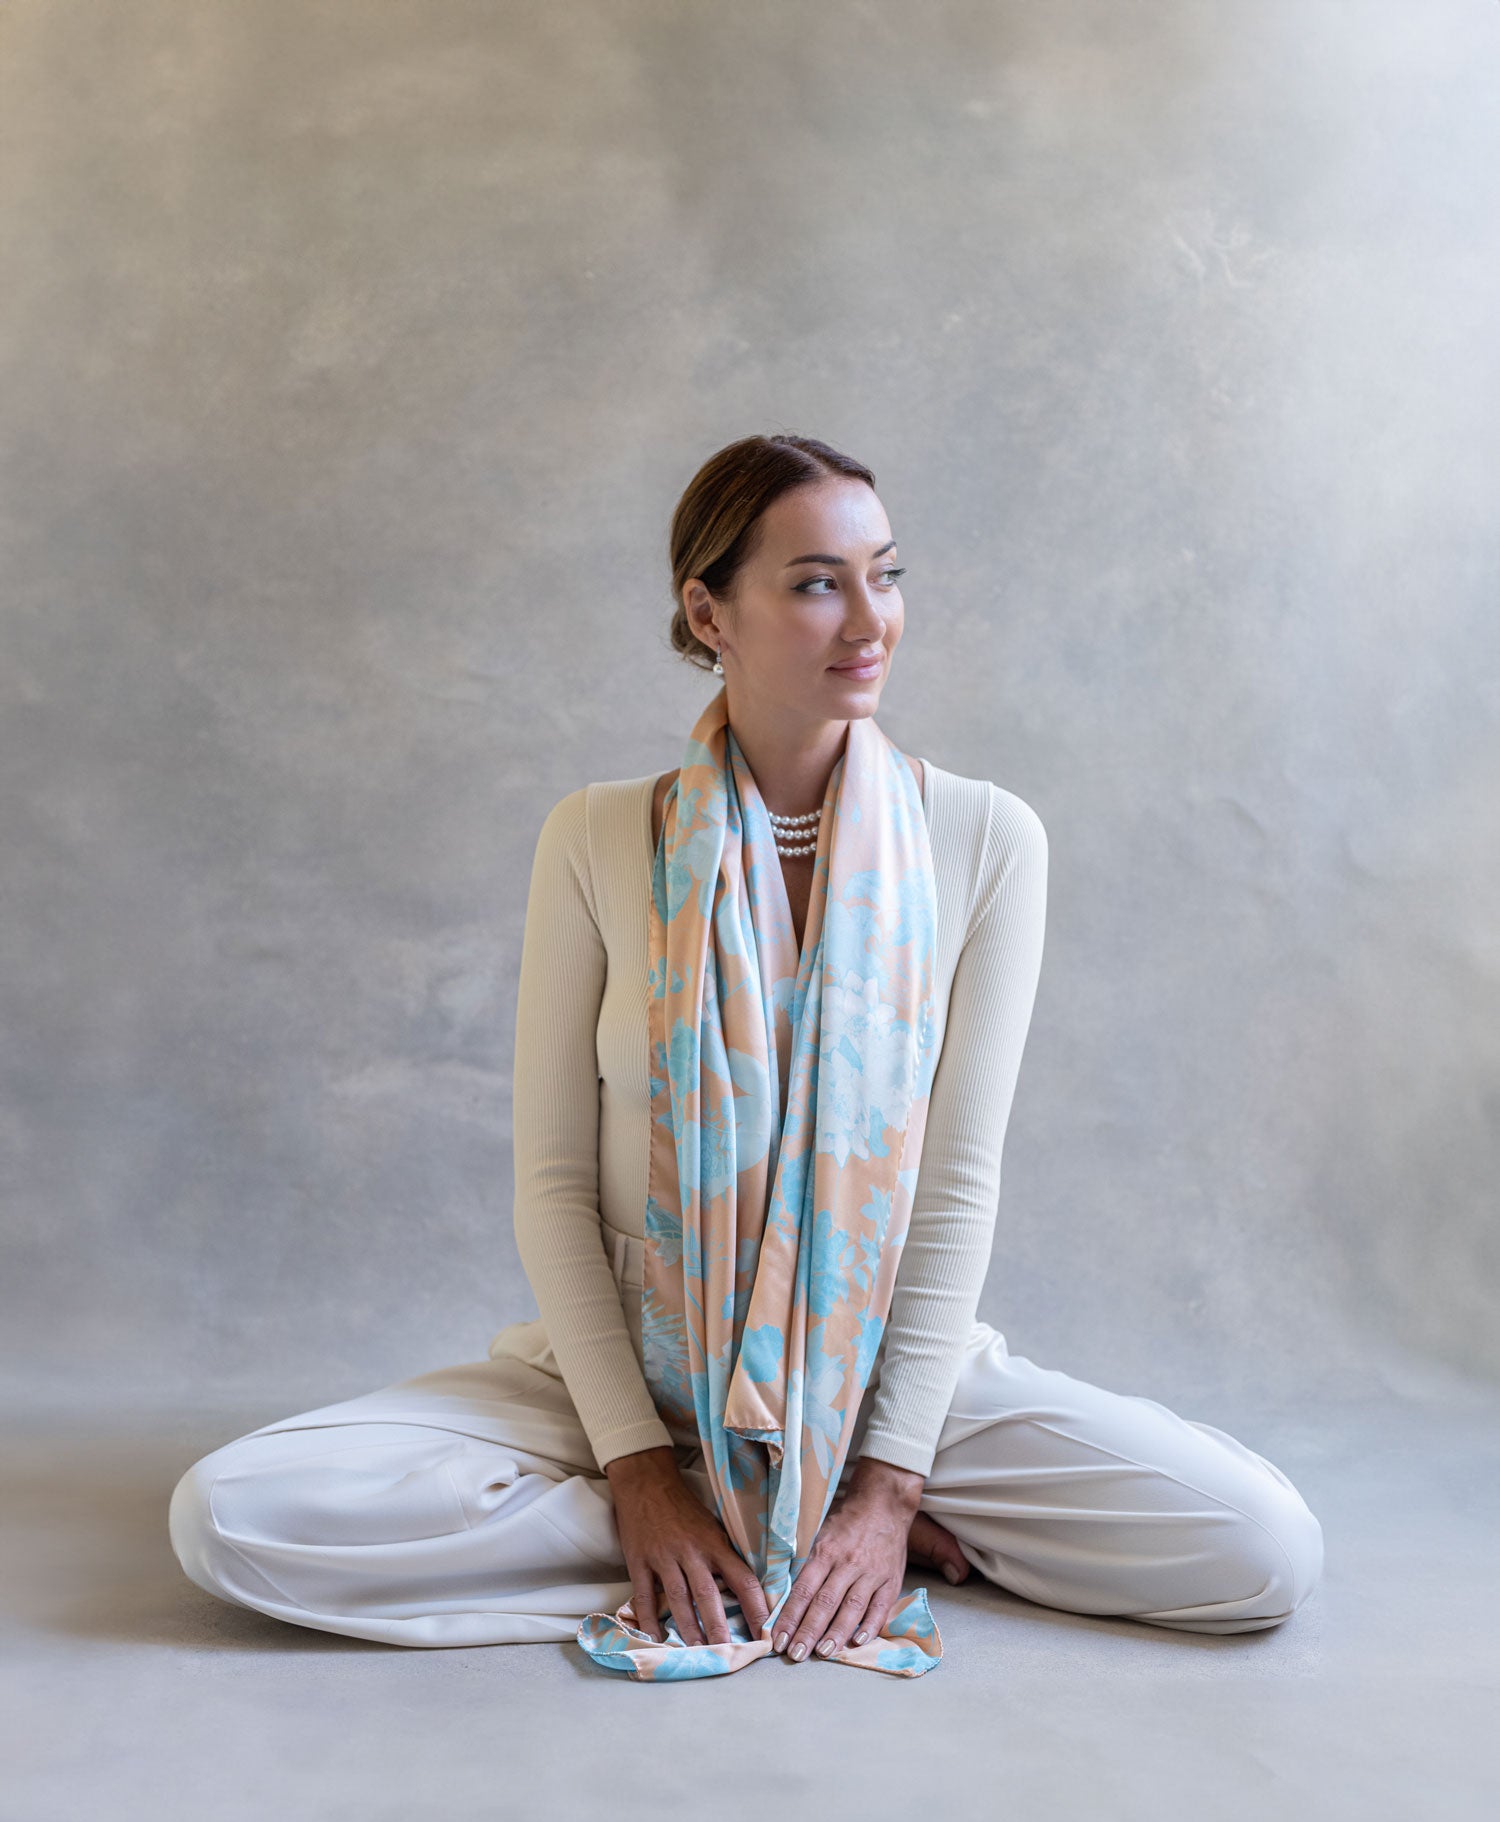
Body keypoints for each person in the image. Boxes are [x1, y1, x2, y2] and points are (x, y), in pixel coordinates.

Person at [168, 433, 1323, 1669]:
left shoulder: (985, 839)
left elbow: (956, 1187)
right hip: (626, 1372)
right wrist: (643, 1472)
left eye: (886, 574)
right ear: (708, 612)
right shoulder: (602, 837)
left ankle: (824, 1524)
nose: (869, 619)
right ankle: (718, 1534)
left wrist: (886, 1482)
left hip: (881, 1370)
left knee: (1261, 1550)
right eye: (818, 582)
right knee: (228, 1519)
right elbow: (556, 1184)